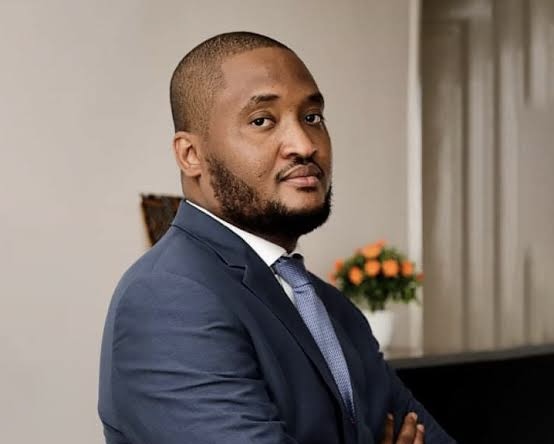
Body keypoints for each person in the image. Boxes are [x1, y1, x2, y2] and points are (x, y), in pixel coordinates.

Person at [98, 31, 455, 444]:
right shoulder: (168, 298)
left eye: (312, 117)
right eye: (262, 121)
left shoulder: (328, 305)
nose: (304, 145)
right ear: (191, 155)